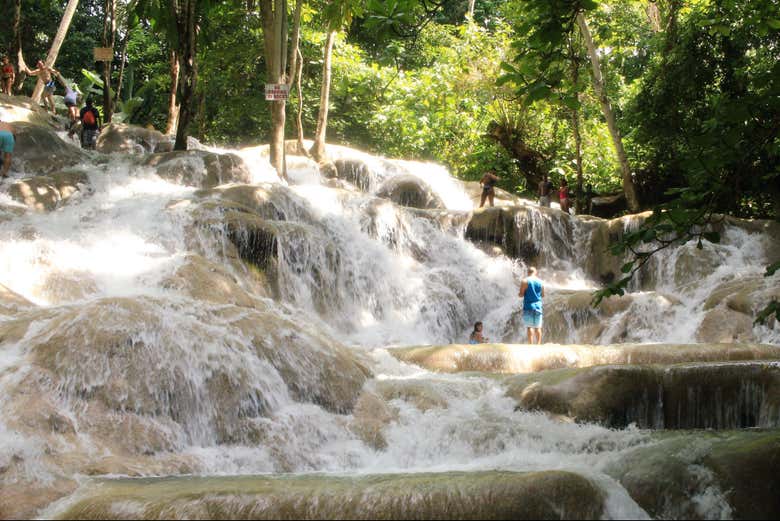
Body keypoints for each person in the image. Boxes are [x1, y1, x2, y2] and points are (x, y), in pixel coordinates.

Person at [519, 267, 544, 344]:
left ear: (528, 272)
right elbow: (543, 295)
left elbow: (521, 294)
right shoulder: (541, 282)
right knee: (538, 327)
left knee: (530, 327)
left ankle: (531, 344)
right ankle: (539, 344)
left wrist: (521, 294)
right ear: (535, 272)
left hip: (528, 306)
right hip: (538, 307)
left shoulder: (525, 281)